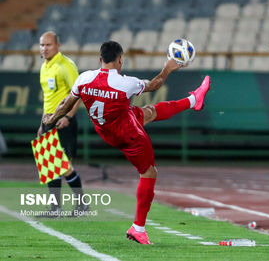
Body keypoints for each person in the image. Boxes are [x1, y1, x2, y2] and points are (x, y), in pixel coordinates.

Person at [42, 40, 211, 244]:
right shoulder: (125, 83)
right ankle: (138, 229)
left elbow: (65, 103)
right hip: (128, 134)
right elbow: (155, 84)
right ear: (120, 59)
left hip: (107, 128)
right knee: (149, 172)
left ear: (100, 59)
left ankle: (194, 100)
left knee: (150, 112)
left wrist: (50, 119)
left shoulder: (84, 78)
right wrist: (168, 68)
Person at [38, 31, 87, 215]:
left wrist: (68, 117)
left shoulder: (65, 65)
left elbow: (78, 94)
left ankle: (82, 205)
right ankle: (55, 208)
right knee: (50, 165)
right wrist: (42, 123)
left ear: (58, 45)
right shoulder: (44, 66)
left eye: (48, 45)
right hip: (48, 119)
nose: (45, 48)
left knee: (63, 165)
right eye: (42, 45)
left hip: (64, 121)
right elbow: (48, 98)